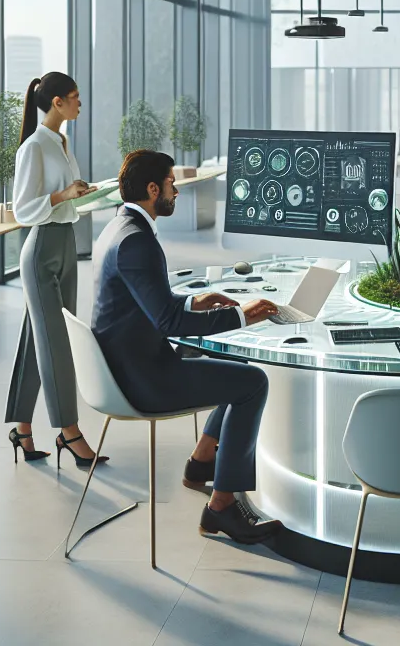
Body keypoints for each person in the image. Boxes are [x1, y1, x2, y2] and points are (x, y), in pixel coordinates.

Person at [92, 149, 284, 544]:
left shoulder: (119, 227)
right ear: (152, 188)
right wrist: (243, 316)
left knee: (229, 362)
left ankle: (202, 462)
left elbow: (151, 303)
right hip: (142, 379)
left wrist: (193, 300)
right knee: (253, 384)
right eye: (171, 184)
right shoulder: (137, 242)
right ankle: (222, 507)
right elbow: (168, 322)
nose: (176, 191)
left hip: (127, 362)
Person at [5, 71, 102, 467]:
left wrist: (82, 193)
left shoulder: (61, 142)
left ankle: (22, 428)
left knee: (37, 343)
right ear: (57, 102)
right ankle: (69, 431)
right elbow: (23, 208)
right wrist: (65, 193)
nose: (80, 103)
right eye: (75, 97)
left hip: (65, 244)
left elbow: (65, 201)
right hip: (43, 248)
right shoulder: (34, 147)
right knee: (58, 343)